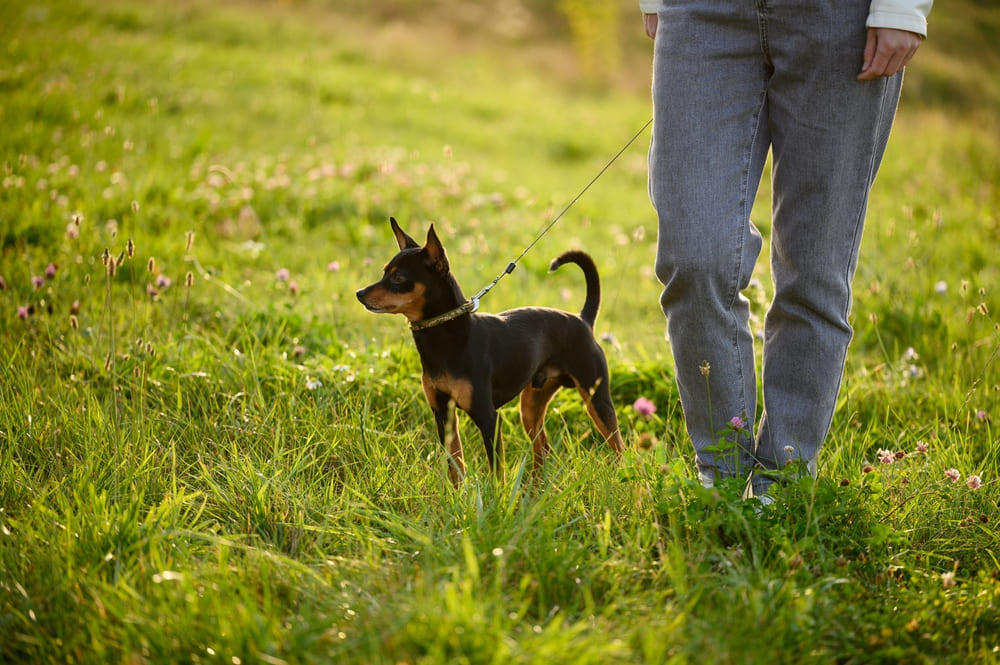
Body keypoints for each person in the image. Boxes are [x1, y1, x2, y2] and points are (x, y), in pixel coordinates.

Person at [639, 0, 933, 498]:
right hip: (703, 13)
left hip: (839, 18)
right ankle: (722, 481)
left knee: (814, 269)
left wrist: (902, 7)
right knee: (694, 256)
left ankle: (781, 485)